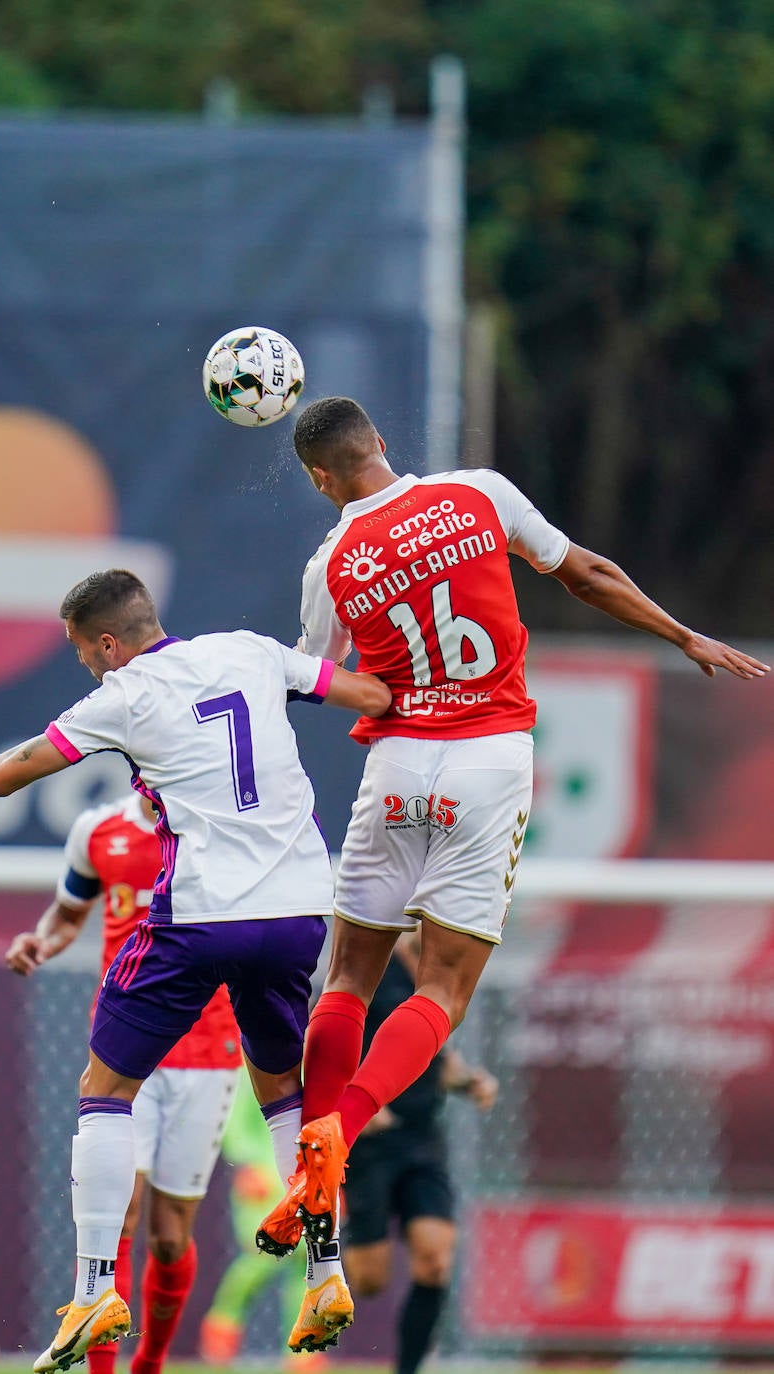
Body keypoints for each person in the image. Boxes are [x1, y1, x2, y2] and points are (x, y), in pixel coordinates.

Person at [259, 394, 770, 1267]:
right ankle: (337, 1135)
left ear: (320, 480)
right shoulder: (479, 495)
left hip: (395, 769)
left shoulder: (332, 558)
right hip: (487, 763)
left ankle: (317, 1144)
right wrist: (685, 635)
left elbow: (318, 673)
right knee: (444, 993)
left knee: (346, 976)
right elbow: (586, 575)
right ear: (380, 443)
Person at [0, 567, 392, 1372]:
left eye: (84, 653)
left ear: (108, 643)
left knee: (103, 1091)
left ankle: (92, 1289)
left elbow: (4, 774)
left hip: (202, 915)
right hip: (297, 913)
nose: (87, 666)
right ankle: (324, 1274)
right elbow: (370, 695)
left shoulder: (124, 694)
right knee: (285, 1092)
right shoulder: (251, 653)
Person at [5, 790, 244, 1374]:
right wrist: (43, 939)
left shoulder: (224, 826)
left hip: (208, 1053)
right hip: (127, 1046)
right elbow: (68, 914)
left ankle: (151, 1363)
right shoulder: (97, 829)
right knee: (118, 1213)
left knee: (169, 1235)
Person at [342, 935, 498, 1374]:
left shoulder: (440, 975)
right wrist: (351, 1101)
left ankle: (408, 1370)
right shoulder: (368, 968)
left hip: (423, 1140)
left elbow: (434, 1054)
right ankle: (334, 1246)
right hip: (370, 1144)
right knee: (370, 1279)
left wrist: (469, 1082)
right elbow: (324, 1043)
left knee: (436, 1261)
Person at [197, 1073, 315, 1366]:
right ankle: (222, 1324)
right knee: (262, 1255)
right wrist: (246, 1161)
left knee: (306, 1261)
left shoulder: (315, 1050)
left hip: (307, 1170)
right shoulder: (247, 1059)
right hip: (263, 1173)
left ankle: (303, 1349)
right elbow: (233, 1116)